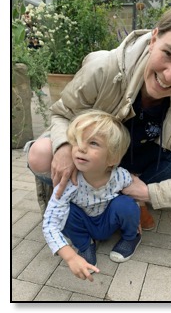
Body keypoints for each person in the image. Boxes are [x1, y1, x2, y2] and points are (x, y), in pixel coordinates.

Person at [27, 1, 171, 232]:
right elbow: (62, 113)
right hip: (98, 158)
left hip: (145, 163)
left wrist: (150, 193)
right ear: (154, 39)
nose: (170, 75)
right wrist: (63, 146)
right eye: (168, 53)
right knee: (41, 154)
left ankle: (128, 198)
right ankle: (79, 199)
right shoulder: (103, 67)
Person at [43, 110, 141, 281]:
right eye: (77, 141)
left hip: (108, 221)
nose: (81, 147)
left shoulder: (120, 176)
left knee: (126, 204)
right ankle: (85, 245)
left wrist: (139, 215)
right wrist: (70, 257)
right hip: (84, 224)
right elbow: (50, 224)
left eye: (93, 143)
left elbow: (137, 190)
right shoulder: (68, 183)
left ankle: (131, 238)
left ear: (112, 158)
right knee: (65, 213)